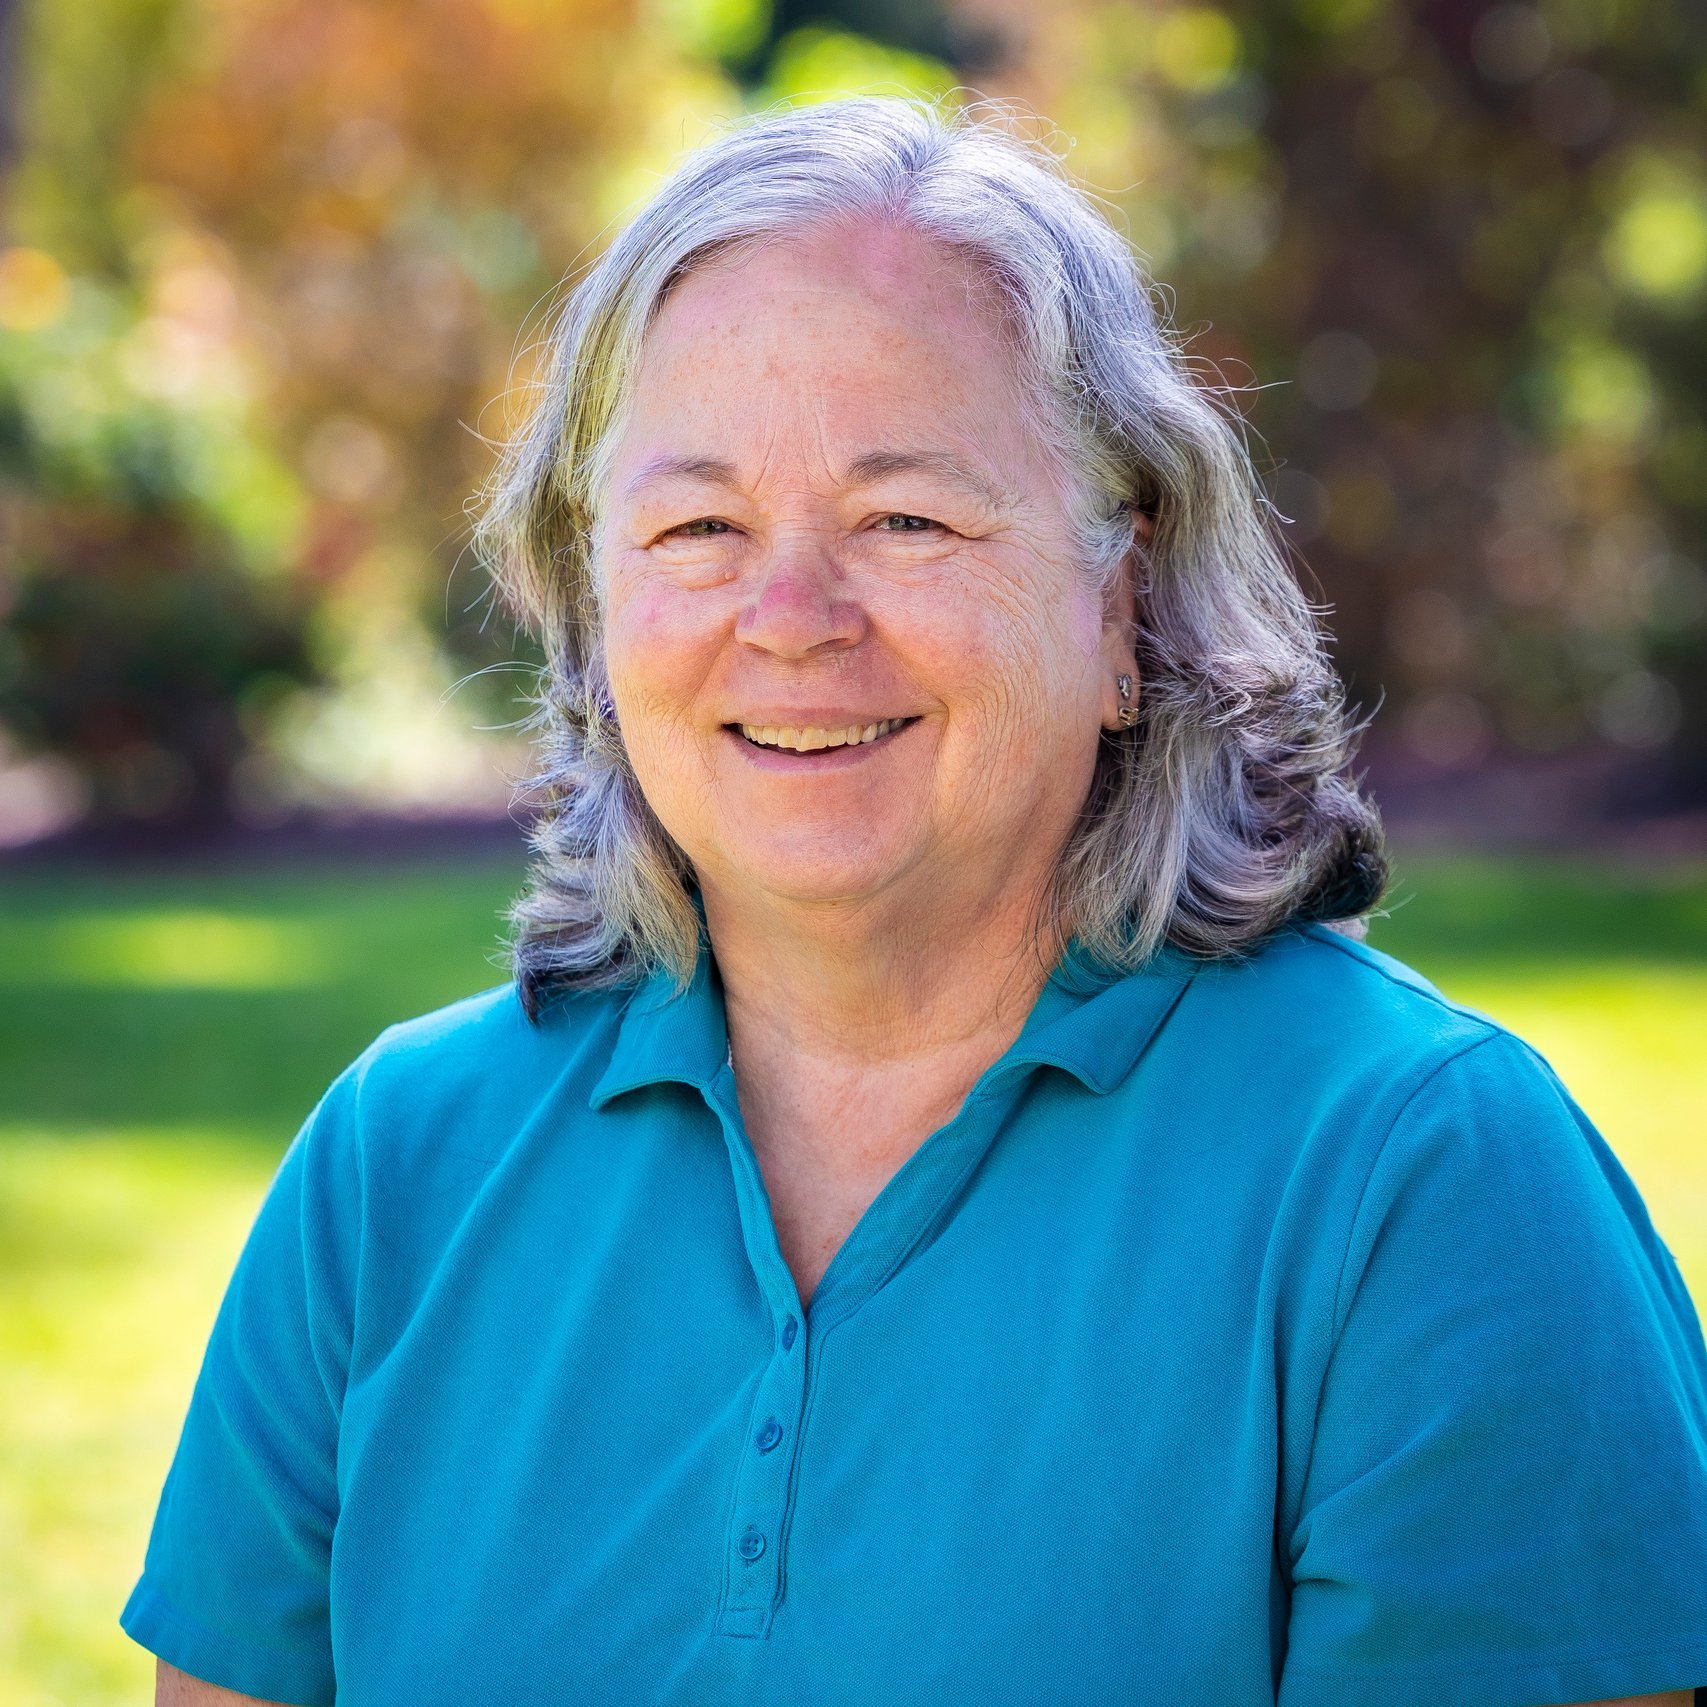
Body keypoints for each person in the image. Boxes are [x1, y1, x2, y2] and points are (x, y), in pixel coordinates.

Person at [121, 94, 1707, 1707]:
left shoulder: (1419, 1186)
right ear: (594, 610)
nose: (791, 616)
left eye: (906, 517)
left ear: (1122, 607)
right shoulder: (396, 1168)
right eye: (698, 527)